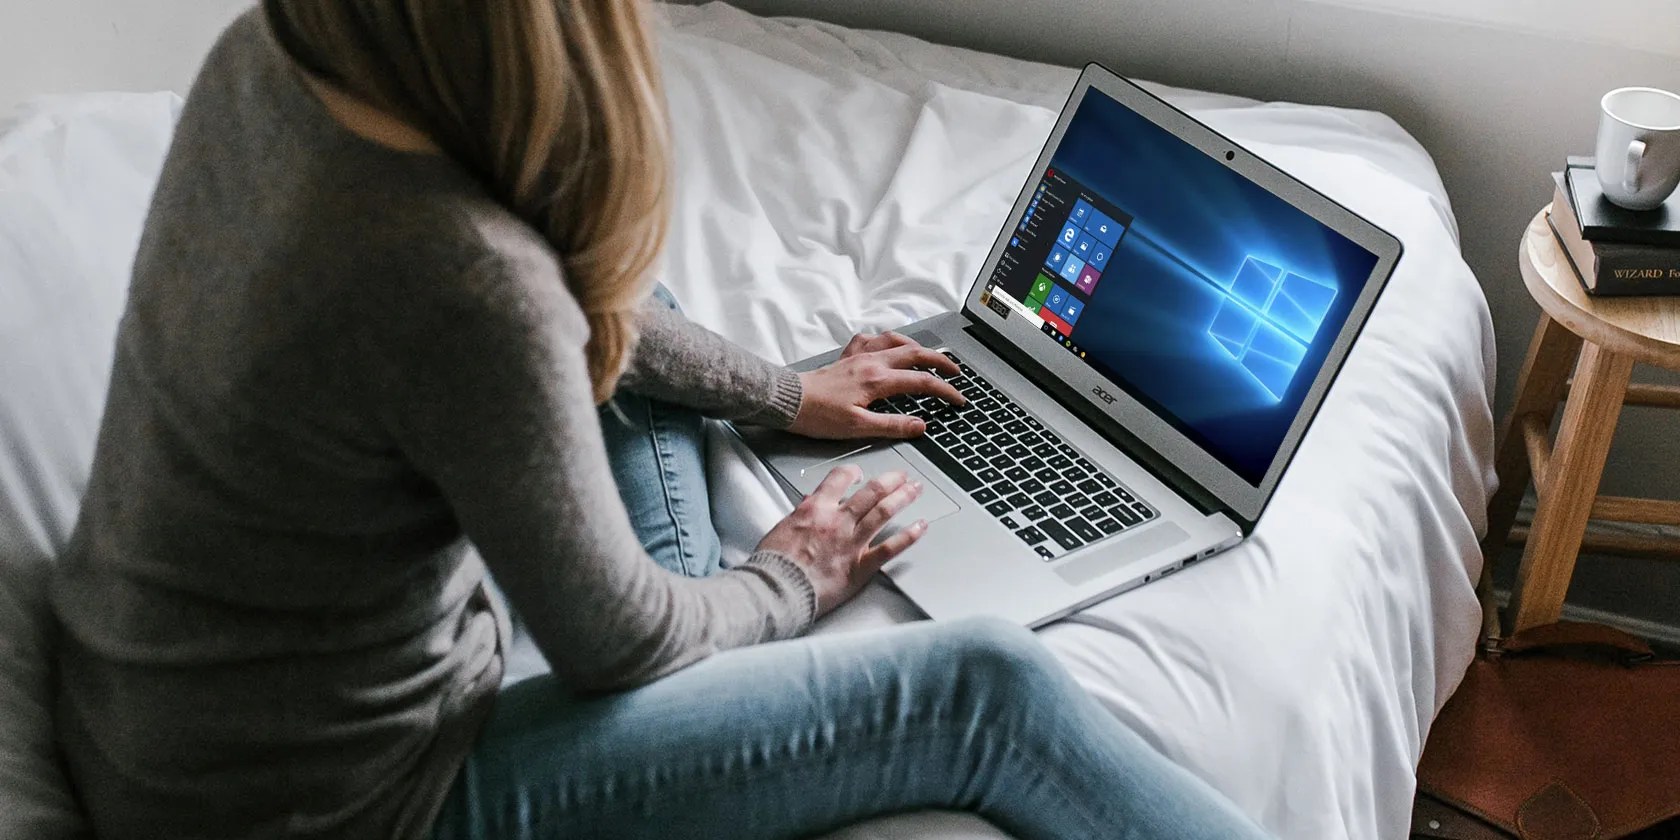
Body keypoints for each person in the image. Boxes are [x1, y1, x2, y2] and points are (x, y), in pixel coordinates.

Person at [49, 2, 1272, 839]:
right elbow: (617, 649)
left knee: (652, 320)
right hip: (331, 809)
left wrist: (792, 396)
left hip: (157, 713)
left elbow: (586, 308)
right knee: (983, 688)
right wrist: (791, 579)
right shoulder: (464, 281)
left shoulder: (276, 50)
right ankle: (733, 639)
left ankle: (723, 641)